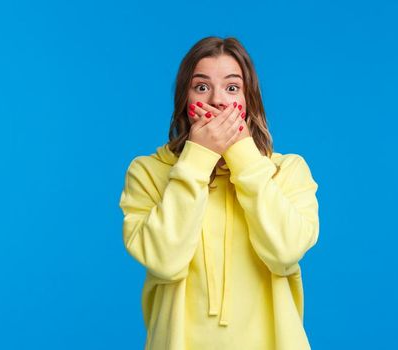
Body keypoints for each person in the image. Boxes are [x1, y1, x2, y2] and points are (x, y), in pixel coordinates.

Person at [119, 36, 320, 350]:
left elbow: (285, 252)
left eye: (232, 88)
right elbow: (163, 261)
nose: (218, 101)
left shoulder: (288, 171)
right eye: (201, 87)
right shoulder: (147, 172)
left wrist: (243, 155)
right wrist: (197, 158)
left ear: (249, 99)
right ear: (184, 99)